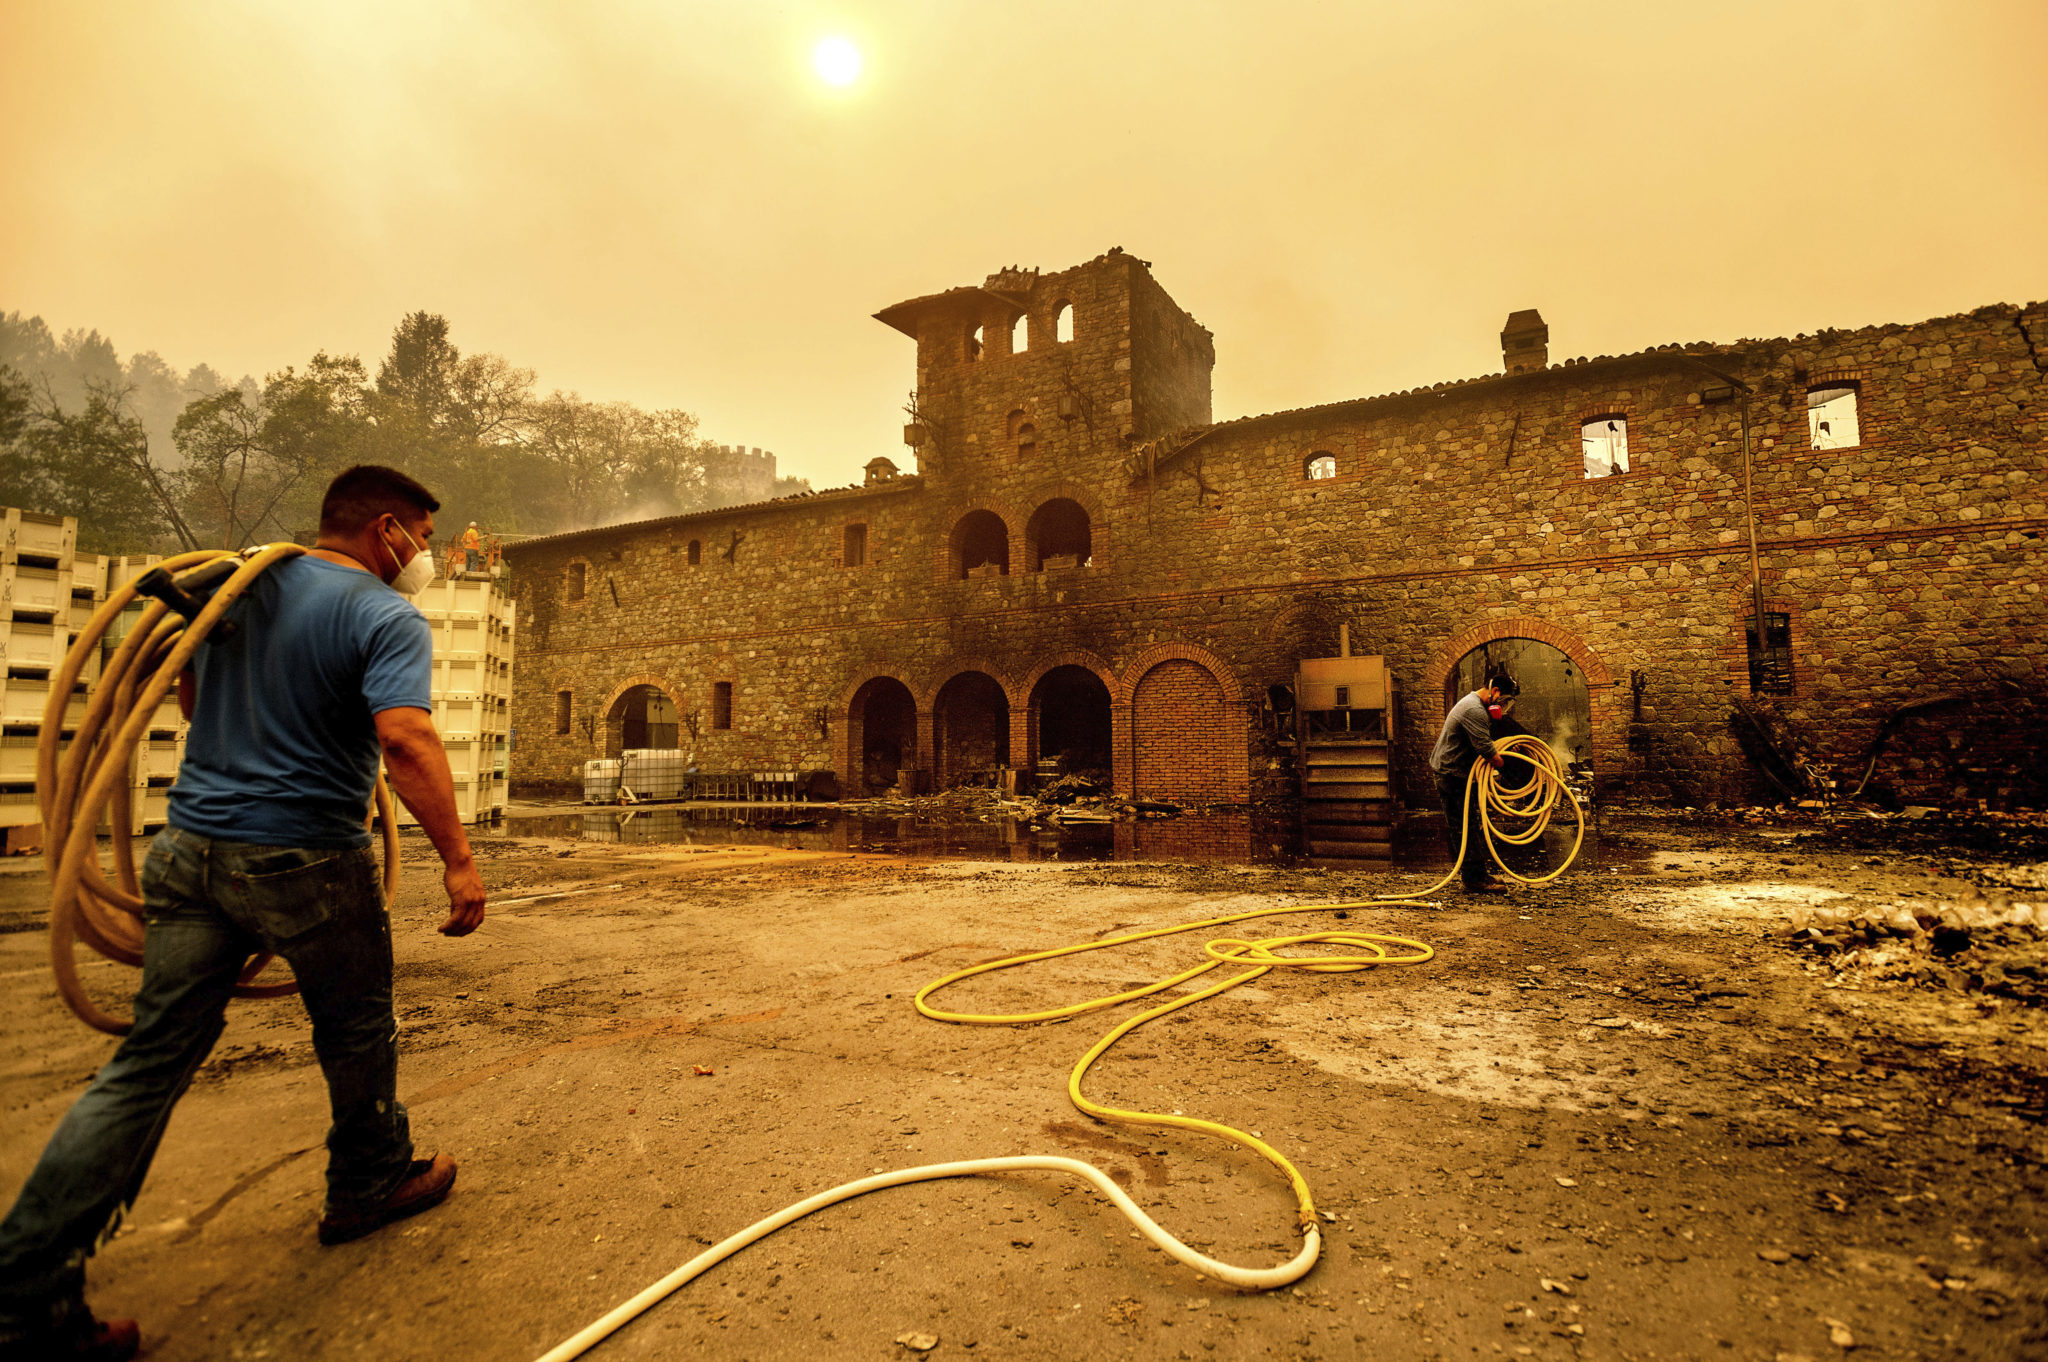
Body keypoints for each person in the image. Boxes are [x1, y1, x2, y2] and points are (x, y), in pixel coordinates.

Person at [0, 465, 489, 1362]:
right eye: (422, 538)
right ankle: (369, 1181)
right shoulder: (384, 616)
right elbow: (406, 738)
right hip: (306, 855)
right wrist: (458, 860)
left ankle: (24, 1288)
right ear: (386, 530)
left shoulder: (240, 588)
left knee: (147, 1065)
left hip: (192, 851)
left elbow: (187, 696)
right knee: (355, 1030)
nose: (426, 557)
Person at [1428, 671, 1521, 894]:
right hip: (1452, 774)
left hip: (1458, 772)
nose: (1505, 707)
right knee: (1464, 827)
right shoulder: (1474, 710)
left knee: (1470, 824)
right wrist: (1505, 762)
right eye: (1505, 701)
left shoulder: (1474, 705)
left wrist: (1503, 749)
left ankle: (1477, 874)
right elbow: (1487, 751)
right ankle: (1473, 880)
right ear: (1495, 691)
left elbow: (1482, 742)